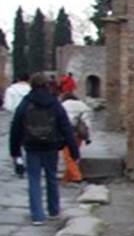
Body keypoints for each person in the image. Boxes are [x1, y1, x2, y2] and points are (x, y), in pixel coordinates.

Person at [9, 73, 79, 225]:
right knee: (51, 177)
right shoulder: (54, 103)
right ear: (47, 85)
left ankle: (37, 216)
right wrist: (74, 150)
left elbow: (16, 127)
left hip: (31, 146)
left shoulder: (26, 103)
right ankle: (53, 211)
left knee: (34, 179)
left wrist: (15, 152)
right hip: (51, 145)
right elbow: (65, 127)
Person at [60, 92, 91, 184]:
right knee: (73, 154)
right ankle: (66, 178)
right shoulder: (83, 106)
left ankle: (77, 176)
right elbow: (88, 123)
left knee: (67, 156)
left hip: (68, 134)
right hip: (80, 134)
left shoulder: (63, 106)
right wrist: (88, 137)